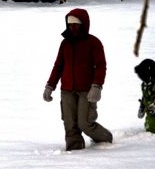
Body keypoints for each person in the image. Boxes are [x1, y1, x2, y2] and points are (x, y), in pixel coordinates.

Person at [43, 8, 113, 150]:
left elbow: (101, 66)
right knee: (70, 123)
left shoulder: (93, 43)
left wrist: (97, 86)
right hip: (67, 89)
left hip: (86, 90)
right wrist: (50, 86)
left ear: (83, 24)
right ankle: (75, 149)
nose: (71, 27)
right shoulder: (65, 43)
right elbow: (58, 66)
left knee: (85, 122)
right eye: (69, 24)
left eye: (75, 24)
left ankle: (105, 137)